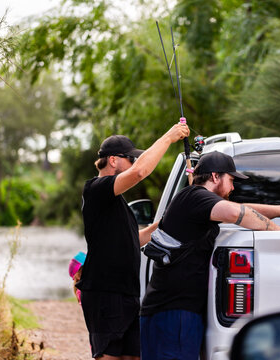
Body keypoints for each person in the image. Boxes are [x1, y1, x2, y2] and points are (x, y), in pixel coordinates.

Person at [140, 151, 280, 360]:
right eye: (231, 180)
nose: (233, 187)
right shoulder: (195, 196)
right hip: (173, 313)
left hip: (177, 312)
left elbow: (240, 208)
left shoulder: (198, 202)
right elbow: (238, 213)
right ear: (214, 176)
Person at [76, 122, 190, 360]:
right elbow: (140, 172)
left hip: (127, 294)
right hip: (105, 293)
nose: (136, 164)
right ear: (113, 160)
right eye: (131, 159)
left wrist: (174, 215)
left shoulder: (117, 203)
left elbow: (134, 240)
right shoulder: (95, 190)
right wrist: (168, 137)